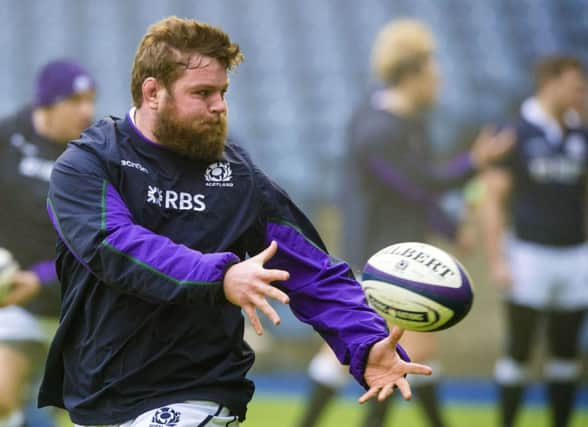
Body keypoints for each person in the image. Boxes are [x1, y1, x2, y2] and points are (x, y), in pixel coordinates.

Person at [38, 16, 434, 427]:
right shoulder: (87, 164)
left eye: (223, 92)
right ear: (153, 92)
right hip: (100, 396)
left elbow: (313, 270)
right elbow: (113, 244)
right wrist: (221, 276)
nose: (220, 105)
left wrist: (365, 342)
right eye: (203, 93)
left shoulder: (237, 176)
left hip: (198, 393)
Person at [297, 19, 514, 427]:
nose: (440, 82)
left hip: (405, 257)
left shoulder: (411, 123)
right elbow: (418, 182)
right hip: (378, 262)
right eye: (434, 71)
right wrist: (475, 162)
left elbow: (418, 192)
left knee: (408, 351)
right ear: (412, 74)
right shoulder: (375, 127)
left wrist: (449, 228)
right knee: (381, 351)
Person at [481, 55, 588, 427]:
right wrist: (498, 260)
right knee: (519, 352)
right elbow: (492, 200)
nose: (581, 92)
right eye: (576, 85)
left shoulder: (580, 131)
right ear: (550, 83)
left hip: (576, 254)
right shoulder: (518, 131)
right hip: (529, 253)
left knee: (566, 353)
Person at [0, 60, 96, 427]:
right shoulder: (7, 138)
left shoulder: (95, 157)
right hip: (11, 298)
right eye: (75, 100)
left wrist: (41, 278)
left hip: (76, 305)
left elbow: (94, 245)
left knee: (81, 414)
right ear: (48, 103)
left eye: (90, 99)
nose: (86, 110)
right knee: (1, 396)